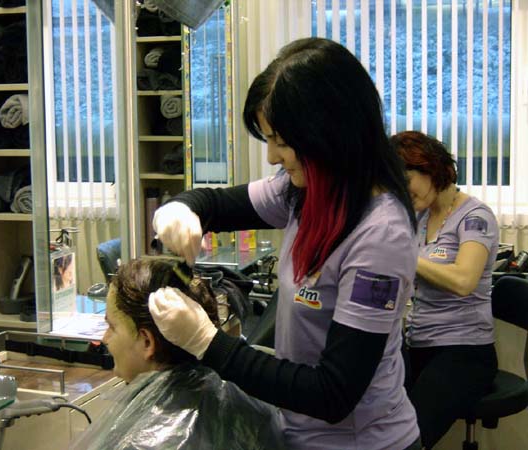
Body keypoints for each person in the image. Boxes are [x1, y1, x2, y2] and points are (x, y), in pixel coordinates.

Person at [149, 37, 422, 450]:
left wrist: (208, 343)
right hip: (298, 434)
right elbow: (216, 204)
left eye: (281, 140)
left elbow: (332, 393)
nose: (273, 158)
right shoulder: (306, 191)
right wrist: (180, 210)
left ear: (329, 133)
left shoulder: (380, 236)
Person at [70, 257, 284, 450]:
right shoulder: (243, 397)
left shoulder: (142, 442)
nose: (105, 338)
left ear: (147, 342)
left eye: (112, 327)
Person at [390, 130, 499, 449]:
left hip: (464, 351)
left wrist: (404, 256)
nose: (403, 192)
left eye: (406, 180)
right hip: (418, 344)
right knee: (377, 418)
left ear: (431, 168)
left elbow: (464, 280)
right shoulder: (420, 216)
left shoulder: (475, 217)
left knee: (406, 439)